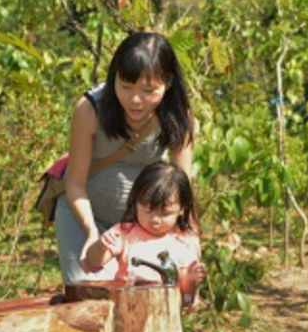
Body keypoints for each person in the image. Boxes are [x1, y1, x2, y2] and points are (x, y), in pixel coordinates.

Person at [54, 32, 196, 288]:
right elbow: (75, 183)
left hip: (142, 225)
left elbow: (182, 185)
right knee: (91, 299)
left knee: (140, 299)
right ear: (114, 77)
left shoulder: (178, 116)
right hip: (86, 219)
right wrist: (91, 233)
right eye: (125, 86)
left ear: (168, 83)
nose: (135, 99)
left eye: (148, 90)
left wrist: (190, 242)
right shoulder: (90, 109)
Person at [84, 162, 206, 308]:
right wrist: (100, 246)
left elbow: (185, 293)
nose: (155, 220)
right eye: (147, 211)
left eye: (165, 213)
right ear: (136, 202)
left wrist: (190, 282)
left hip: (165, 313)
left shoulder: (184, 241)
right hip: (127, 309)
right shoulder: (125, 233)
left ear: (182, 209)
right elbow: (93, 262)